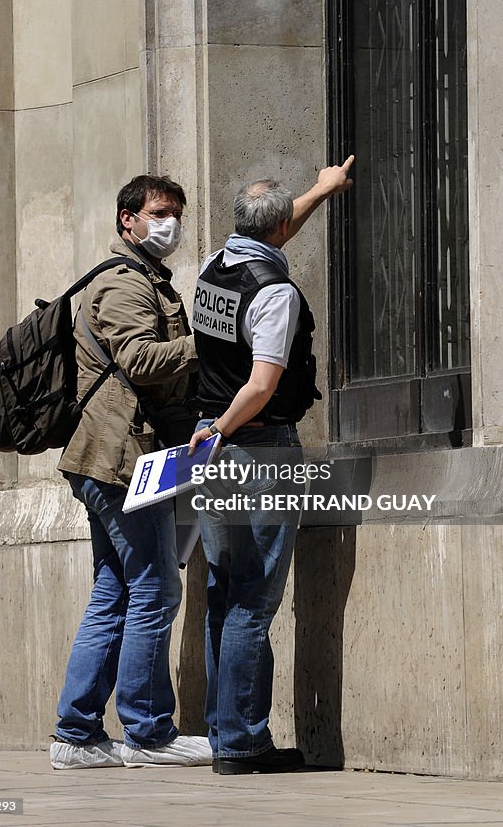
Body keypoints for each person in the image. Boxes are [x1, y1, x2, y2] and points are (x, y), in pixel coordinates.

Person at [189, 157, 354, 775]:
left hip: (212, 448)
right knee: (253, 601)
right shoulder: (276, 293)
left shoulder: (216, 266)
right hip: (255, 451)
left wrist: (321, 190)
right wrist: (224, 431)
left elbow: (273, 231)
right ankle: (242, 742)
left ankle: (223, 733)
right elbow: (261, 386)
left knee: (222, 592)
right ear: (280, 228)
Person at [51, 174, 211, 770]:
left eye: (176, 213)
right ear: (128, 220)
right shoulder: (122, 283)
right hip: (118, 461)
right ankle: (148, 733)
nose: (169, 223)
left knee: (115, 589)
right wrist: (213, 346)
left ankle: (77, 735)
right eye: (158, 212)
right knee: (155, 586)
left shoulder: (145, 279)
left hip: (118, 458)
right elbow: (141, 361)